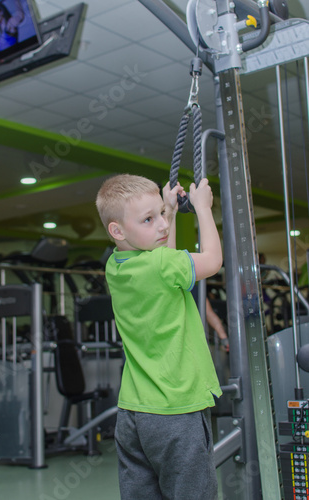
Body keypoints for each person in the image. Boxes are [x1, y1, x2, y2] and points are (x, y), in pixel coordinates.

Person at [96, 174, 223, 500]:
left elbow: (161, 255)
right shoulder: (164, 265)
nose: (163, 225)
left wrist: (168, 206)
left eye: (162, 216)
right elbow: (212, 260)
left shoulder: (116, 267)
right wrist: (203, 208)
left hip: (133, 415)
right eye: (149, 219)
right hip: (177, 411)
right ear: (118, 230)